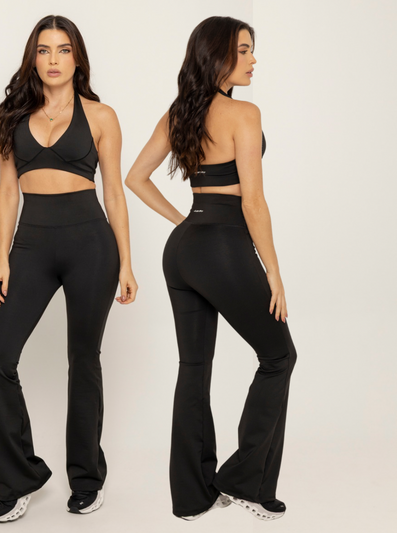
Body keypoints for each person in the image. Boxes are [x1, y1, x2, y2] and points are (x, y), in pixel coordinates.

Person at [125, 16, 296, 522]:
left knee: (194, 368)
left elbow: (135, 177)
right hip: (223, 245)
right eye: (243, 50)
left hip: (183, 250)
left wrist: (185, 223)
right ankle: (245, 480)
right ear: (217, 54)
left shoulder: (180, 112)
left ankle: (192, 496)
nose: (253, 59)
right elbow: (253, 203)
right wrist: (274, 272)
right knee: (279, 355)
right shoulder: (244, 113)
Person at [0, 14, 137, 523]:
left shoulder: (102, 116)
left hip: (91, 244)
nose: (53, 60)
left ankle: (87, 479)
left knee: (83, 359)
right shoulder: (13, 115)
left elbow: (114, 193)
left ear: (77, 58)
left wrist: (127, 262)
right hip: (31, 244)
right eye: (44, 50)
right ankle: (19, 478)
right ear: (33, 58)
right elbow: (8, 192)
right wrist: (1, 257)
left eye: (63, 50)